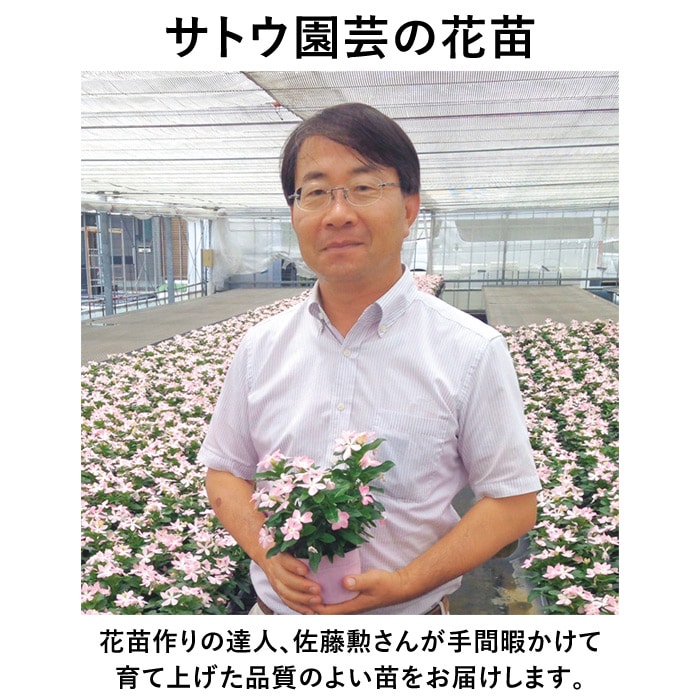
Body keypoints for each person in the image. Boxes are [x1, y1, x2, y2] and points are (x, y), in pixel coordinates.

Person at [199, 102, 541, 615]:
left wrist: (407, 582)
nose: (338, 213)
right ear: (294, 213)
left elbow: (511, 503)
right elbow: (225, 470)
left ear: (408, 209)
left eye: (363, 187)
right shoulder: (260, 347)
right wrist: (266, 552)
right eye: (315, 192)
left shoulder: (471, 349)